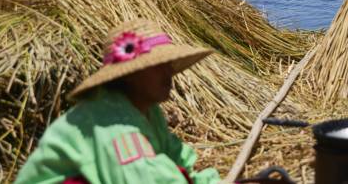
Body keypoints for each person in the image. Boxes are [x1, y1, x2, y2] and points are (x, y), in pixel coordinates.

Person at [15, 19, 221, 184]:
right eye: (158, 66)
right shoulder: (111, 121)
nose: (169, 73)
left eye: (168, 63)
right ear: (130, 75)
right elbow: (142, 178)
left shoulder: (149, 111)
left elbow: (176, 158)